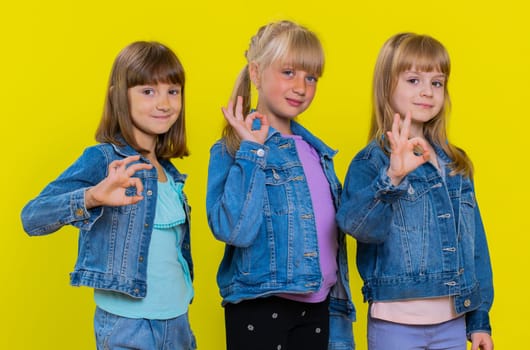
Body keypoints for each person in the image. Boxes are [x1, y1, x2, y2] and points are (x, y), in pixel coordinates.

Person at [21, 41, 196, 350]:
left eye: (173, 91)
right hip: (127, 325)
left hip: (178, 322)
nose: (164, 104)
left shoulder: (170, 173)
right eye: (148, 91)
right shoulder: (104, 160)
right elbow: (32, 217)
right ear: (119, 95)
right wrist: (92, 197)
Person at [336, 33, 494, 350]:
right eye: (413, 80)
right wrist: (392, 178)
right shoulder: (371, 161)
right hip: (395, 324)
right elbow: (357, 228)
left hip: (453, 322)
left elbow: (474, 244)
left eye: (437, 83)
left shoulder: (455, 163)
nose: (427, 92)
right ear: (386, 86)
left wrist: (479, 322)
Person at [206, 20, 355, 350]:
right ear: (256, 74)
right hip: (262, 308)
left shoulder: (318, 152)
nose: (301, 86)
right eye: (288, 72)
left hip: (321, 306)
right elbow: (234, 230)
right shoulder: (232, 150)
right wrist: (253, 151)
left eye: (311, 77)